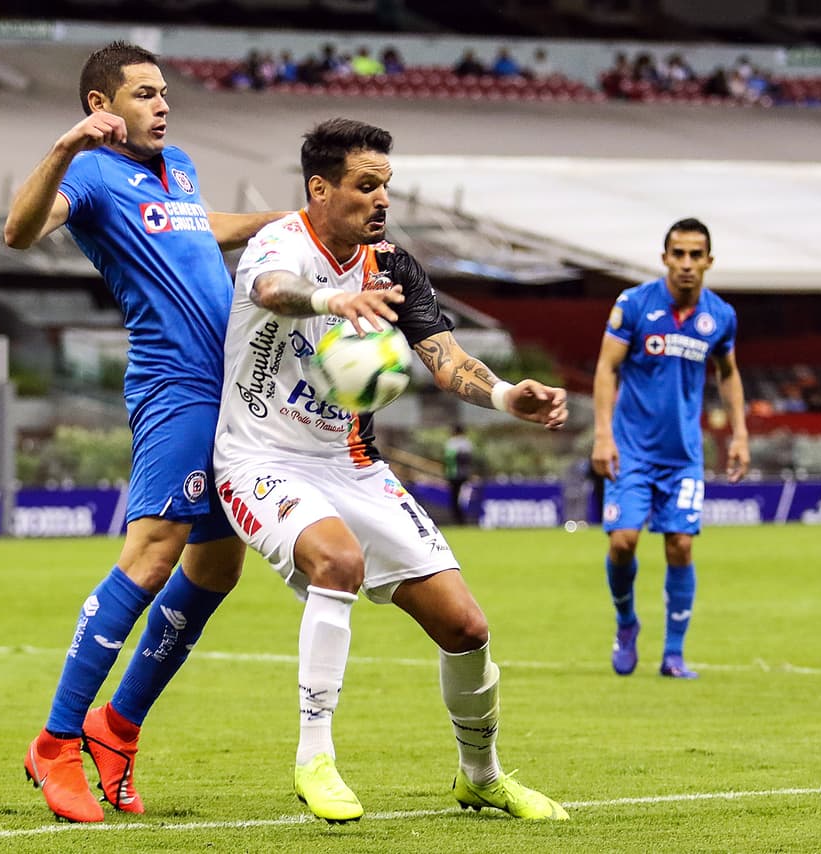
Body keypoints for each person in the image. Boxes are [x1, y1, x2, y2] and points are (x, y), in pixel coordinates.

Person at [214, 118, 570, 824]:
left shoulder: (393, 267)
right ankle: (314, 758)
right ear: (320, 189)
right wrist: (330, 299)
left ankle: (481, 777)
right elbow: (273, 290)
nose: (381, 199)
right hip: (260, 459)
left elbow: (445, 358)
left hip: (351, 464)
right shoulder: (280, 243)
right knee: (338, 562)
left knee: (466, 627)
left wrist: (507, 397)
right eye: (365, 185)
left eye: (386, 186)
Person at [2, 40, 284, 823]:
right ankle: (56, 741)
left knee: (217, 568)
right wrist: (64, 147)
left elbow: (197, 227)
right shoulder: (90, 173)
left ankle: (117, 727)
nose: (162, 105)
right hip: (174, 386)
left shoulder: (179, 167)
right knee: (152, 555)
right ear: (102, 106)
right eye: (145, 94)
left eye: (164, 93)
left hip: (230, 392)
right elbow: (19, 232)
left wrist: (282, 223)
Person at [590, 218, 749, 680]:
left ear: (709, 261)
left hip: (683, 458)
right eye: (678, 254)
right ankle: (626, 622)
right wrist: (602, 434)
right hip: (631, 452)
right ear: (664, 258)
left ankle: (673, 654)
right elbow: (606, 368)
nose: (686, 263)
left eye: (695, 255)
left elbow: (729, 373)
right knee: (623, 542)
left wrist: (740, 433)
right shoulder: (634, 304)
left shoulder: (720, 316)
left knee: (680, 545)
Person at [443, 424, 475, 525]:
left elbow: (448, 460)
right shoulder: (466, 443)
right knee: (462, 498)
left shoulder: (451, 443)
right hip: (462, 474)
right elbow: (469, 459)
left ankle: (458, 519)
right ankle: (462, 519)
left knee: (455, 498)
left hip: (454, 474)